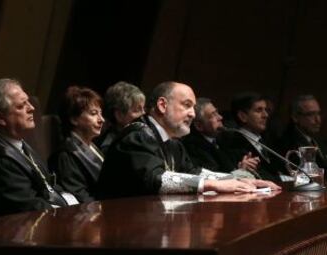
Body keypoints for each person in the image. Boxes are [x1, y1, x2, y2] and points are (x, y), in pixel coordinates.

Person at [97, 82, 280, 199]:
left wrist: (237, 179)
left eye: (193, 107)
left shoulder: (173, 142)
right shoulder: (137, 135)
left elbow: (193, 172)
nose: (192, 114)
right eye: (186, 105)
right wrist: (216, 184)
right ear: (162, 105)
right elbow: (157, 179)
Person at [0, 78, 78, 216]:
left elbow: (48, 185)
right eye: (21, 106)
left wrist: (73, 203)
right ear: (0, 118)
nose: (32, 108)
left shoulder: (17, 143)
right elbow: (28, 207)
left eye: (28, 102)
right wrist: (68, 212)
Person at [49, 86, 105, 203]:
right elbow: (80, 198)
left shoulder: (92, 146)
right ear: (74, 119)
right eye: (94, 113)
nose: (101, 119)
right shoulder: (65, 155)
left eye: (101, 113)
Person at [181, 97, 259, 177]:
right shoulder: (192, 148)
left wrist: (244, 165)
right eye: (213, 115)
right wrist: (241, 171)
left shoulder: (223, 140)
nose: (220, 117)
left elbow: (234, 168)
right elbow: (213, 178)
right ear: (199, 126)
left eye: (217, 112)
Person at [223, 92, 284, 182]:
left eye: (266, 110)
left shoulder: (268, 138)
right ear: (243, 116)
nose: (265, 115)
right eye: (259, 110)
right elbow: (261, 176)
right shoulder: (234, 145)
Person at [278, 94, 327, 170]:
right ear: (295, 117)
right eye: (311, 114)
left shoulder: (319, 140)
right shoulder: (287, 143)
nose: (318, 120)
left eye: (318, 113)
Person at [96, 81, 145, 154]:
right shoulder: (111, 148)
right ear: (119, 115)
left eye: (143, 108)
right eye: (136, 110)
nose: (143, 113)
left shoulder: (140, 137)